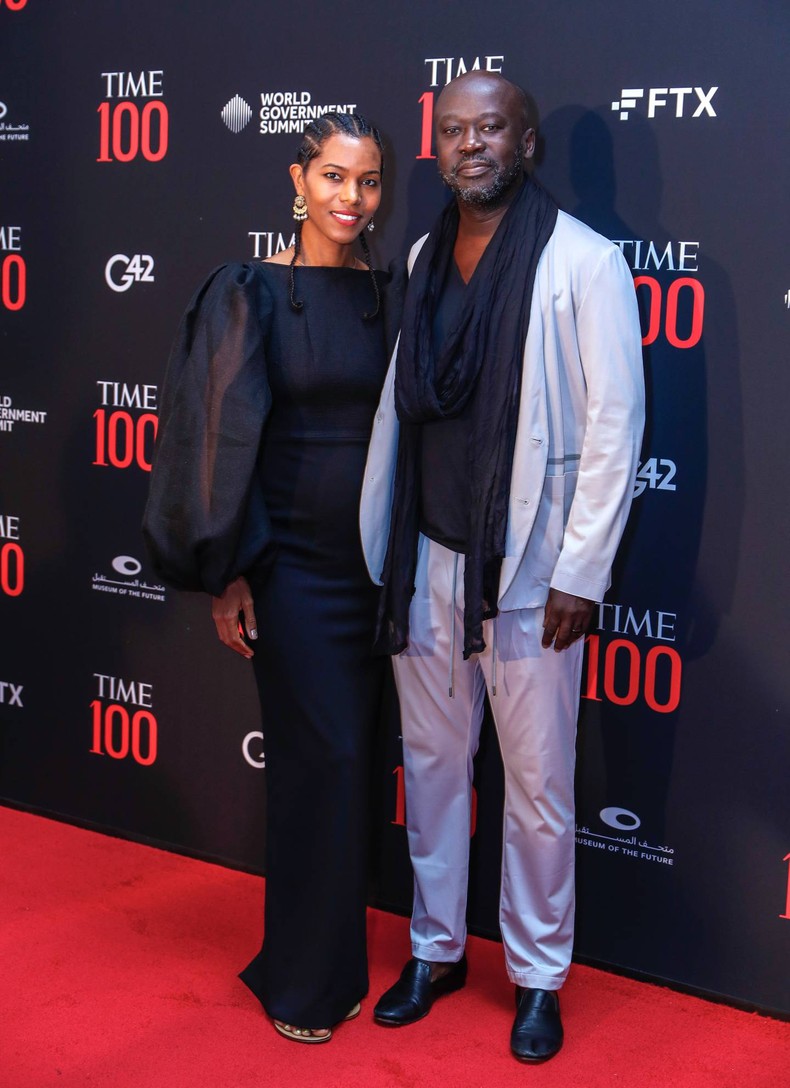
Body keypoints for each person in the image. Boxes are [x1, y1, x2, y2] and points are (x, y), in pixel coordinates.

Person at [360, 72, 644, 1063]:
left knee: (536, 787)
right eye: (452, 129)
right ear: (434, 145)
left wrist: (582, 571)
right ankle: (435, 949)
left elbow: (614, 427)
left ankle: (536, 974)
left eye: (489, 128)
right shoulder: (426, 254)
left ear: (526, 143)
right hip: (425, 558)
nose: (468, 143)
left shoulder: (584, 263)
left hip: (529, 572)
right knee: (433, 772)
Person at [143, 112, 399, 1044]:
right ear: (298, 178)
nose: (349, 199)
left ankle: (323, 953)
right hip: (290, 570)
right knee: (319, 763)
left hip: (378, 569)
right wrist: (231, 574)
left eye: (367, 184)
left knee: (352, 764)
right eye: (333, 177)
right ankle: (305, 978)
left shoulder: (388, 294)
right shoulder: (245, 288)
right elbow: (215, 439)